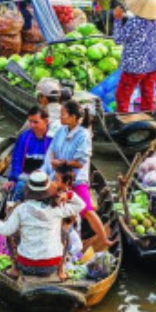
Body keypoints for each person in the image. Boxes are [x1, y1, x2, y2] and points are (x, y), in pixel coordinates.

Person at [0, 171, 84, 278]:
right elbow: (81, 205)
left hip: (25, 265)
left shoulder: (21, 209)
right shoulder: (57, 209)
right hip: (51, 266)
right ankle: (61, 271)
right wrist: (68, 194)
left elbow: (5, 230)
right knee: (64, 233)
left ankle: (15, 269)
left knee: (12, 233)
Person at [48, 100, 111, 250]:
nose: (60, 117)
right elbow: (52, 149)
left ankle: (104, 239)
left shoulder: (83, 135)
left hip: (76, 178)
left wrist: (63, 162)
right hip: (58, 176)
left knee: (87, 210)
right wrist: (53, 161)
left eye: (63, 114)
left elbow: (80, 162)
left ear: (73, 117)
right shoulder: (61, 130)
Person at [113, 0, 156, 113]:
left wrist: (117, 20)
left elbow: (118, 39)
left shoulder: (134, 22)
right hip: (153, 63)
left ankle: (123, 119)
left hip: (135, 66)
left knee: (122, 95)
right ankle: (149, 116)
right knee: (148, 94)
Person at [7, 106, 54, 197]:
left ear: (46, 121)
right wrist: (13, 179)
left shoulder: (53, 138)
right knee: (19, 189)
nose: (32, 125)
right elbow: (17, 159)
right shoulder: (24, 137)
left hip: (47, 179)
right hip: (26, 177)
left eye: (36, 122)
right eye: (30, 122)